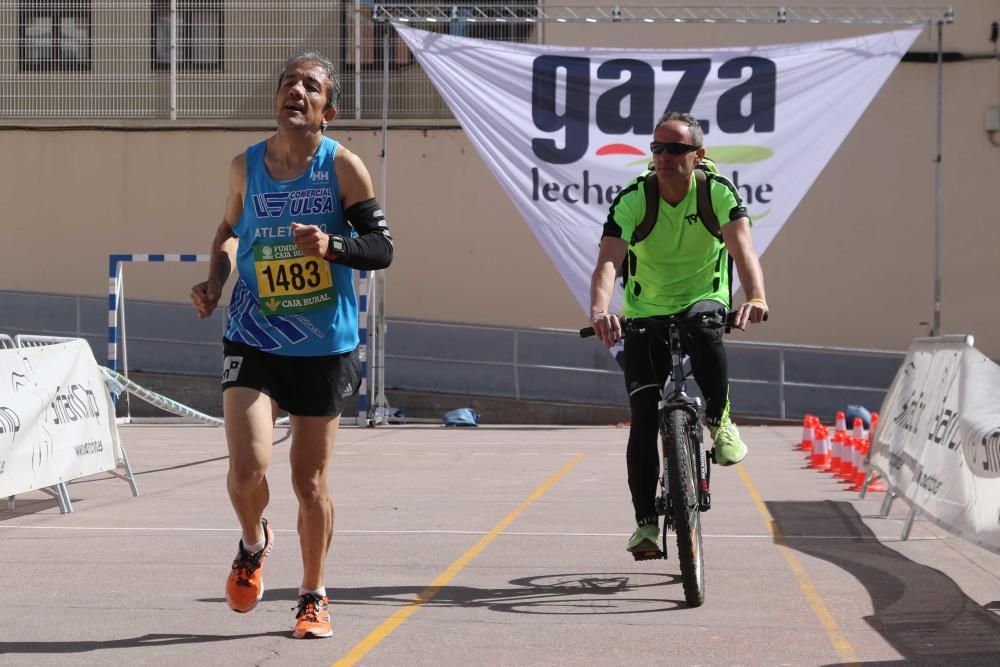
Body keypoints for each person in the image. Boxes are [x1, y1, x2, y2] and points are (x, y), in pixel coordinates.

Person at [189, 51, 393, 638]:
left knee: (309, 483)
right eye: (287, 83)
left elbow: (382, 250)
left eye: (310, 86)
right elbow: (229, 235)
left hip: (324, 343)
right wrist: (215, 280)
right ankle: (253, 543)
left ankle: (312, 594)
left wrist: (332, 246)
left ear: (329, 109)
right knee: (249, 466)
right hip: (252, 334)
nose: (295, 91)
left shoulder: (344, 169)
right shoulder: (244, 167)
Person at [588, 111, 768, 555]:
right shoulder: (634, 197)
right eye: (657, 148)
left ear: (698, 155)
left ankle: (720, 419)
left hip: (701, 298)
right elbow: (609, 261)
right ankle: (646, 524)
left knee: (706, 332)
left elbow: (742, 248)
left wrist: (757, 296)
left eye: (676, 149)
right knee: (643, 417)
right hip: (645, 310)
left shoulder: (716, 192)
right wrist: (599, 311)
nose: (664, 156)